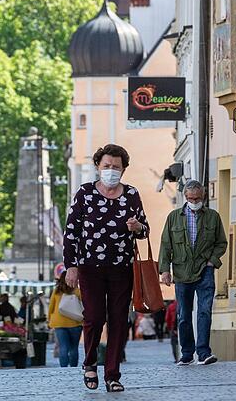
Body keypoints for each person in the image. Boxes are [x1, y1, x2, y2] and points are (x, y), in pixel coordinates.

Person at [63, 144, 149, 393]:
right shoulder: (85, 193)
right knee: (94, 317)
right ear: (98, 167)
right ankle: (90, 363)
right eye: (107, 166)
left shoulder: (131, 194)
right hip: (90, 267)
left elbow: (145, 230)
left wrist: (137, 228)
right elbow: (71, 233)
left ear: (123, 169)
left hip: (121, 267)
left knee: (120, 321)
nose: (111, 170)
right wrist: (71, 266)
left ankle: (112, 374)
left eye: (116, 167)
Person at [159, 180, 227, 366]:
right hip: (181, 271)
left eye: (197, 198)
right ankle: (187, 353)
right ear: (185, 197)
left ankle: (204, 352)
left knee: (204, 311)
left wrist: (212, 261)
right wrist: (165, 270)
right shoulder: (174, 217)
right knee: (183, 314)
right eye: (190, 198)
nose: (194, 201)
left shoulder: (213, 217)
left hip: (205, 270)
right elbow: (166, 244)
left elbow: (221, 242)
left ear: (203, 197)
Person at [47, 270, 83, 367]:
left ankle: (63, 368)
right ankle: (73, 367)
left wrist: (49, 320)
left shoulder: (57, 291)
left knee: (63, 347)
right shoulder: (77, 291)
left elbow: (51, 306)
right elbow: (84, 306)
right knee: (74, 348)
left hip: (59, 323)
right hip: (75, 322)